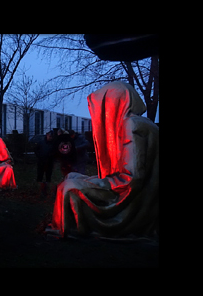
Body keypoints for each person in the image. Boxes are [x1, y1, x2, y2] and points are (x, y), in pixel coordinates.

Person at [48, 82, 159, 238]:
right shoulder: (146, 124)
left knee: (68, 187)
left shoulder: (131, 125)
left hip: (130, 201)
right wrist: (96, 180)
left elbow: (132, 178)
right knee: (72, 176)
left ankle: (74, 230)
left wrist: (98, 182)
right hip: (138, 195)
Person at [34, 131, 55, 197]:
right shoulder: (41, 142)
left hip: (49, 162)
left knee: (48, 176)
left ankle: (47, 189)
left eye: (51, 136)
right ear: (47, 135)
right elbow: (36, 150)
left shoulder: (53, 143)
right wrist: (39, 156)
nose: (50, 138)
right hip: (41, 161)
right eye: (49, 136)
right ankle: (40, 190)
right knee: (40, 175)